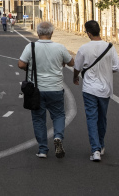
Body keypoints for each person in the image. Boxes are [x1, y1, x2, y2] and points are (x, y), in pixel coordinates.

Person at [18, 21, 75, 159]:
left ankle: (43, 149)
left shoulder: (30, 46)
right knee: (59, 115)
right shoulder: (60, 47)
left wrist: (30, 67)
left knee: (38, 119)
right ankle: (58, 137)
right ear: (52, 33)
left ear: (37, 33)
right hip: (55, 88)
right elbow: (71, 63)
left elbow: (21, 64)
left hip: (36, 90)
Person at [73, 20, 119, 163]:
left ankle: (95, 150)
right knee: (102, 118)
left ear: (88, 33)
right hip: (105, 88)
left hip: (89, 88)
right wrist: (105, 70)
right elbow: (117, 67)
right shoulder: (110, 47)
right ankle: (100, 146)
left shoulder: (83, 48)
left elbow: (77, 66)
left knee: (91, 118)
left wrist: (75, 77)